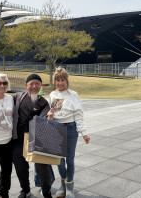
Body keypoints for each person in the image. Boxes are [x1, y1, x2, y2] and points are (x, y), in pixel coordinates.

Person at [47, 67, 90, 198]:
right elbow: (54, 111)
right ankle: (63, 184)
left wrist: (84, 133)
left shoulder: (73, 95)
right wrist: (50, 115)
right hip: (57, 128)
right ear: (55, 82)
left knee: (70, 159)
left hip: (71, 128)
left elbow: (78, 114)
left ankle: (69, 186)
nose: (60, 83)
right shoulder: (53, 95)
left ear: (67, 81)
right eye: (58, 80)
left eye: (63, 80)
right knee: (59, 160)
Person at [12, 74, 53, 198]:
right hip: (18, 138)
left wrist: (49, 117)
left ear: (40, 85)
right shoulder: (18, 96)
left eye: (37, 84)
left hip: (35, 139)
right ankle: (25, 190)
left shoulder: (43, 102)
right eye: (31, 84)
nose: (34, 86)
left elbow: (44, 117)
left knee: (43, 166)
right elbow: (1, 98)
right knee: (20, 165)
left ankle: (46, 190)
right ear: (26, 85)